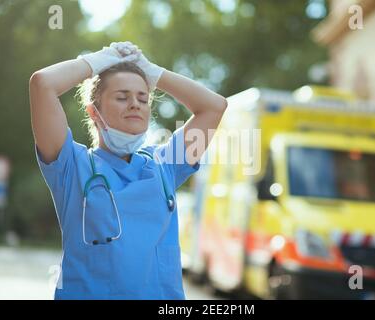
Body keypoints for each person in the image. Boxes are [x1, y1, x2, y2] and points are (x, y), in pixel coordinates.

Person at [29, 41, 227, 299]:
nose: (135, 104)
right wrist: (99, 60)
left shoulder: (165, 165)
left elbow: (214, 106)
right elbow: (42, 84)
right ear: (93, 113)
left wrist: (152, 72)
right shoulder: (70, 166)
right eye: (122, 97)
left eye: (143, 98)